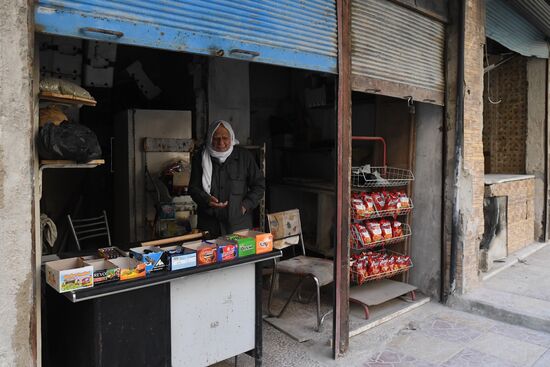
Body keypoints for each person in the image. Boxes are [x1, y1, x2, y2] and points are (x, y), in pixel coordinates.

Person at [189, 120, 265, 238]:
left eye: (225, 138)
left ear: (232, 138)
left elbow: (259, 185)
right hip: (209, 226)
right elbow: (193, 188)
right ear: (209, 138)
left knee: (240, 257)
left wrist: (245, 206)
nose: (221, 142)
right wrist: (207, 200)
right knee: (210, 256)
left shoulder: (244, 157)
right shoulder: (200, 158)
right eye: (216, 138)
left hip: (239, 226)